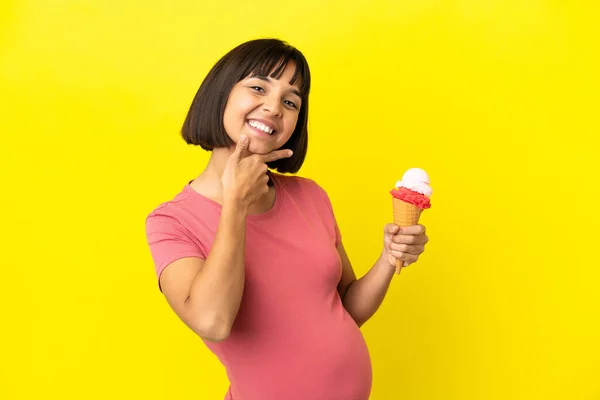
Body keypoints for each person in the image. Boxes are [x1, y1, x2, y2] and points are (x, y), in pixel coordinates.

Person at [145, 38, 429, 400]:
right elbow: (212, 322)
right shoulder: (171, 221)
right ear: (220, 94)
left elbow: (346, 309)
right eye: (258, 87)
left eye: (290, 101)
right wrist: (235, 202)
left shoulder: (310, 195)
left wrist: (391, 256)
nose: (274, 107)